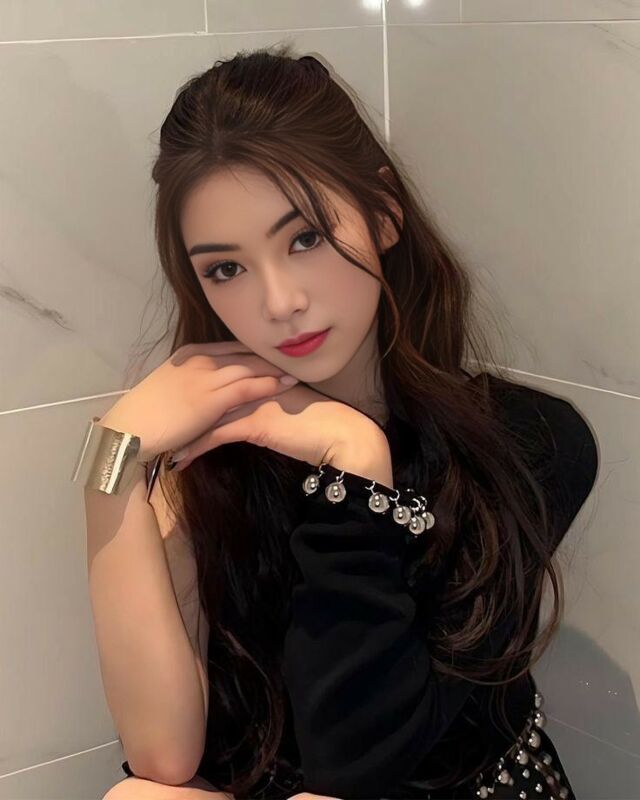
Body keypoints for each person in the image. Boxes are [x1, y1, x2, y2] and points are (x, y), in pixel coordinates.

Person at [91, 45, 599, 800]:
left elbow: (354, 765)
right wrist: (108, 462)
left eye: (305, 238)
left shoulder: (527, 442)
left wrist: (354, 463)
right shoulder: (209, 457)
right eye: (226, 268)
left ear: (384, 214)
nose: (280, 302)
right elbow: (163, 755)